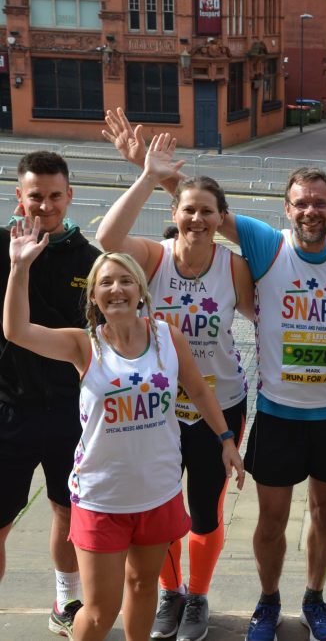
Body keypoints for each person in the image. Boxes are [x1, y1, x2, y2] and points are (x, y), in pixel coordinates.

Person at [103, 108, 326, 641]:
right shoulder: (265, 245)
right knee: (258, 518)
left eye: (320, 202)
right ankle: (263, 603)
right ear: (285, 209)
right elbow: (200, 209)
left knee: (325, 511)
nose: (310, 210)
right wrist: (150, 172)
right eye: (301, 203)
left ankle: (313, 599)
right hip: (270, 411)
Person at [3, 223, 245, 641]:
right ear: (94, 296)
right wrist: (19, 268)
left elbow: (201, 389)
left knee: (142, 587)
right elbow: (17, 331)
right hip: (102, 498)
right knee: (99, 612)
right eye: (106, 282)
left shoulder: (167, 337)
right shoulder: (84, 345)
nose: (117, 289)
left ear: (141, 292)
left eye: (126, 280)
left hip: (157, 492)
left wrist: (226, 440)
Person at [95, 130, 255, 641]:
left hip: (219, 404)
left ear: (220, 219)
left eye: (208, 211)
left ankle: (198, 595)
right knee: (159, 507)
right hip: (156, 408)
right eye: (189, 210)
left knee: (205, 508)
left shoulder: (235, 267)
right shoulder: (153, 258)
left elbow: (265, 317)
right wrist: (150, 175)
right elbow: (106, 239)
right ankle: (170, 591)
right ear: (176, 213)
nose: (197, 219)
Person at [0, 151, 100, 637]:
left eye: (54, 196)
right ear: (19, 196)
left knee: (67, 509)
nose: (44, 206)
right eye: (34, 196)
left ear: (69, 198)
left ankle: (65, 598)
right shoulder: (2, 248)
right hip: (8, 409)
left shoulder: (90, 261)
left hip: (69, 412)